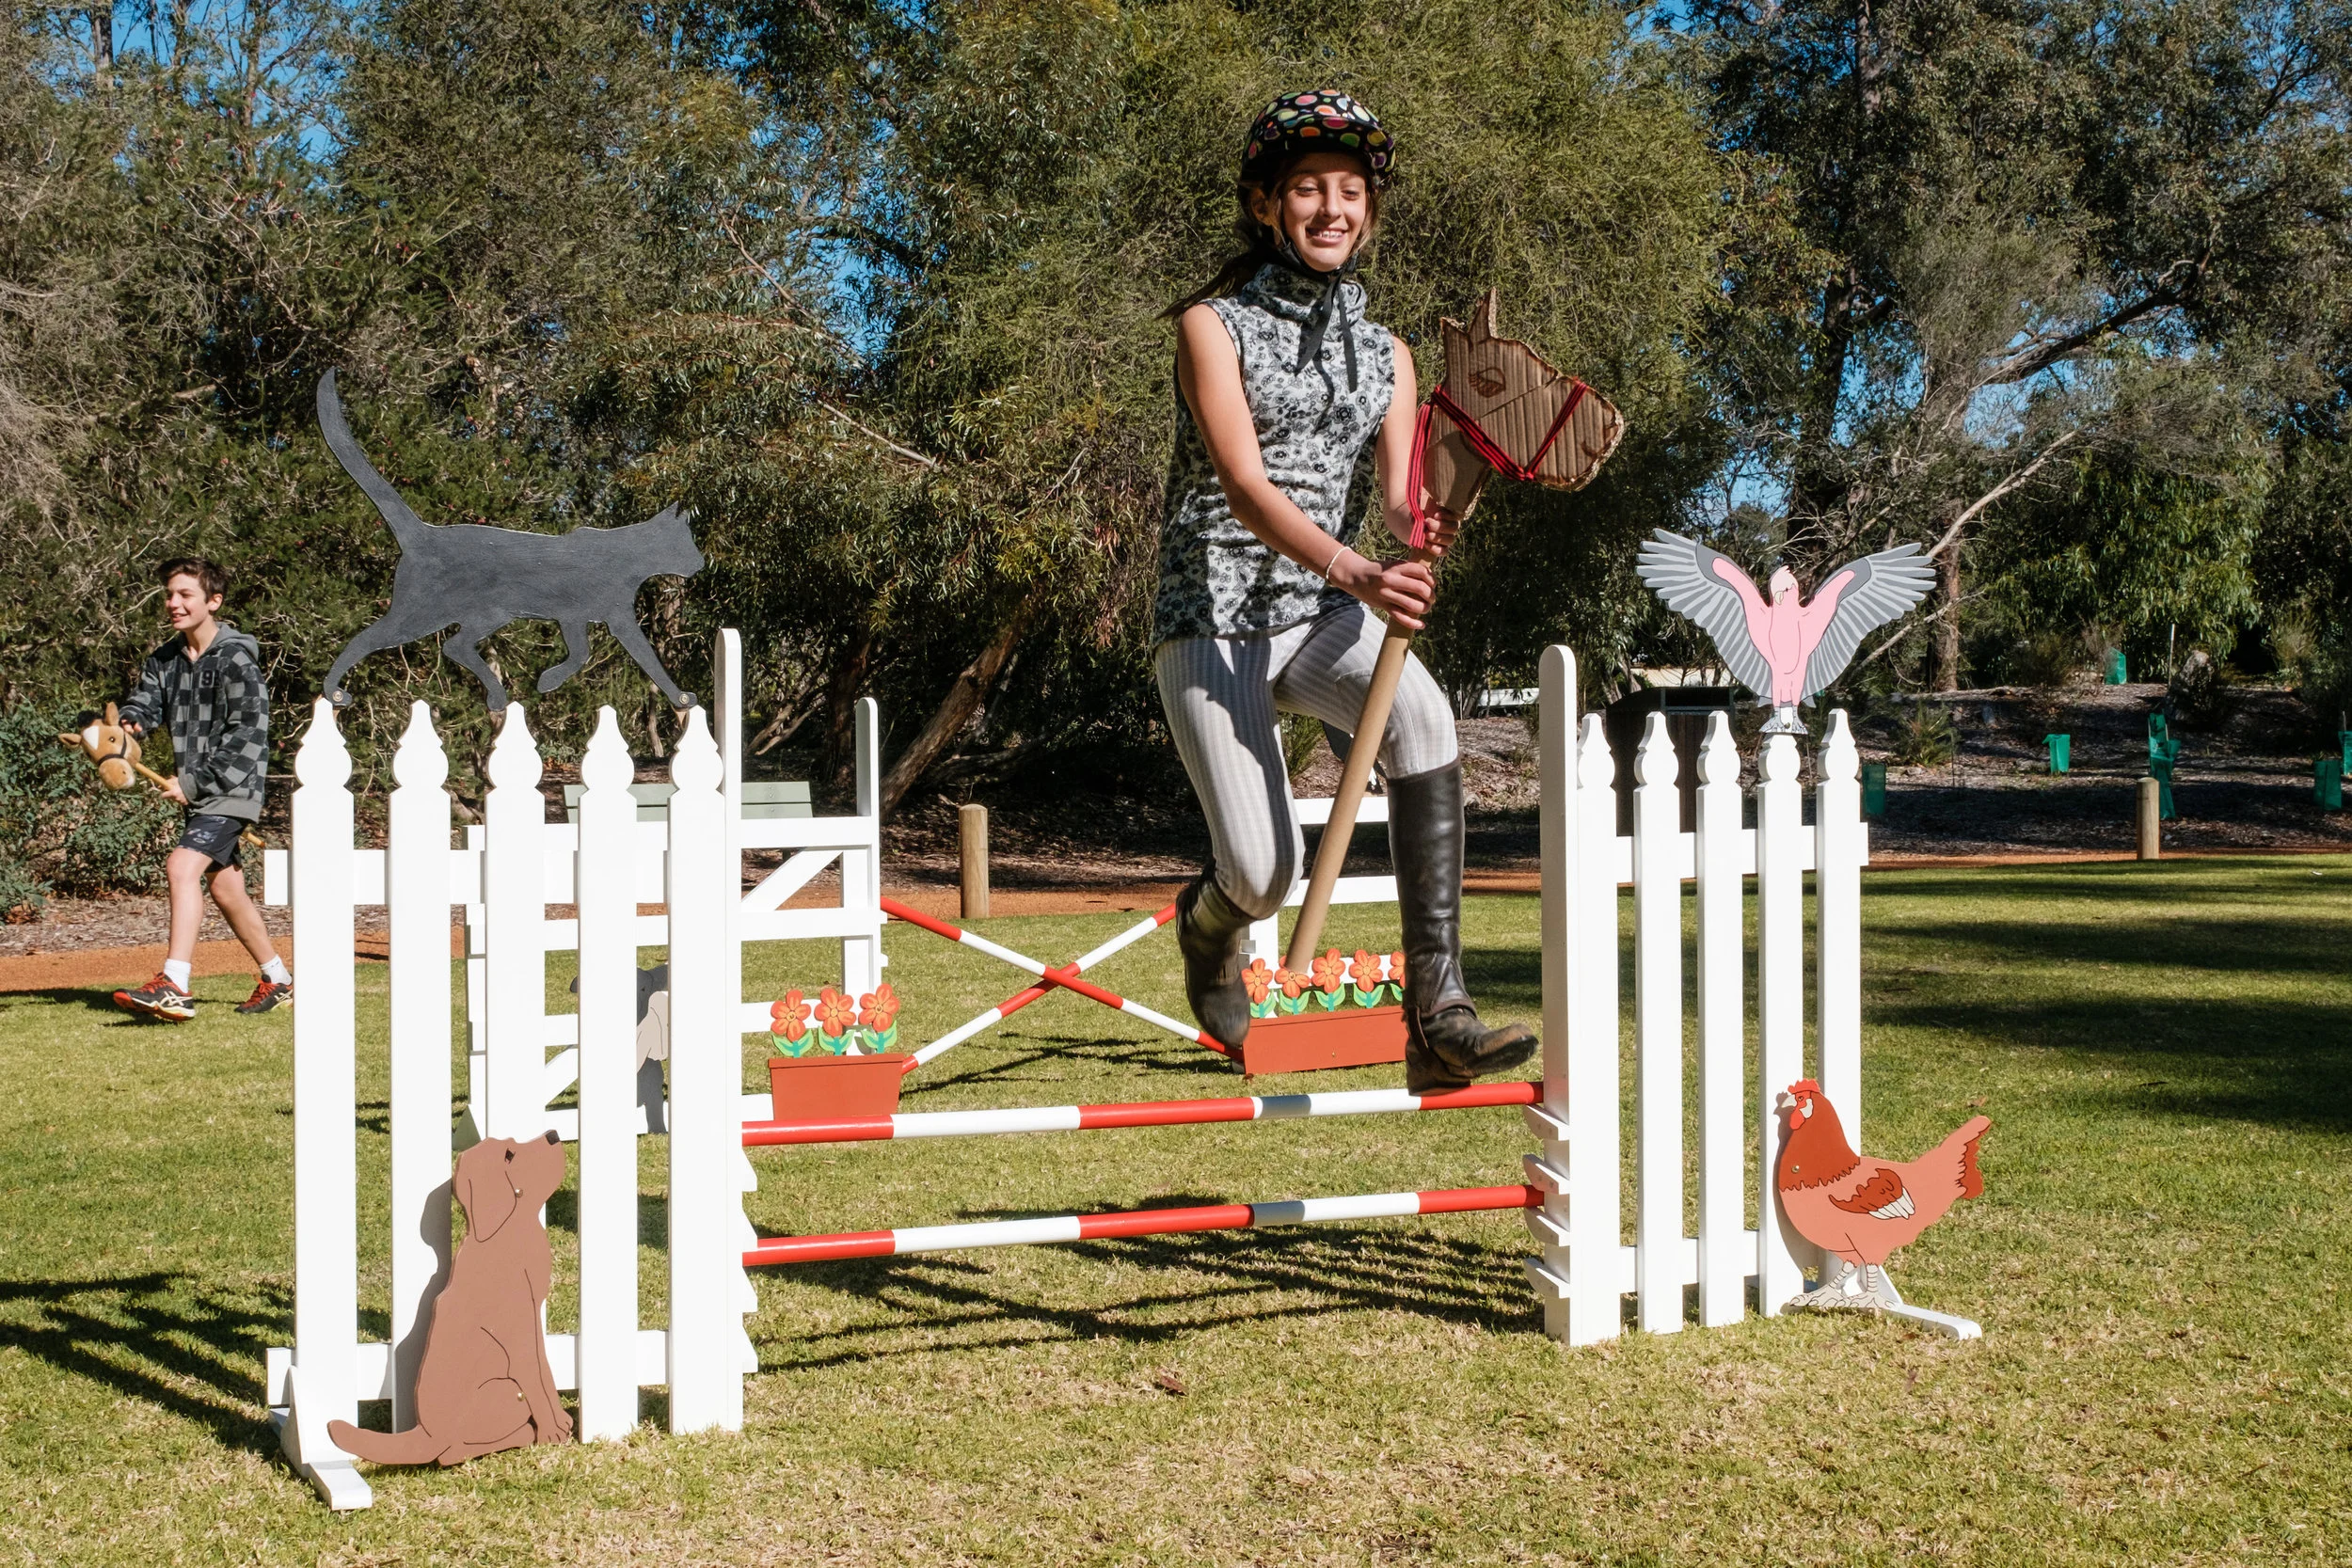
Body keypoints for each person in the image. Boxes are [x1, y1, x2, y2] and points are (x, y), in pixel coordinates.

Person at [1157, 90, 1534, 1093]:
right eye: (1309, 190)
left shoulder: (1389, 353)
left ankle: (1439, 1008)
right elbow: (1244, 484)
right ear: (1265, 205)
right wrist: (1360, 570)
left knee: (1424, 715)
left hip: (1318, 613)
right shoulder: (1211, 326)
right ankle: (1206, 929)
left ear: (1368, 210)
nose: (1333, 207)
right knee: (1260, 869)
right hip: (1213, 617)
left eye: (1350, 191)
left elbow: (1409, 498)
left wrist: (1437, 512)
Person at [110, 558, 292, 1022]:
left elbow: (248, 735)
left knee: (181, 866)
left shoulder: (236, 658)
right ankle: (278, 979)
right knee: (227, 888)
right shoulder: (164, 660)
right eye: (170, 594)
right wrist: (129, 725)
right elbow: (147, 704)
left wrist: (192, 783)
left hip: (231, 789)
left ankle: (175, 983)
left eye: (185, 595)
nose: (173, 603)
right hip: (199, 792)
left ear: (214, 601)